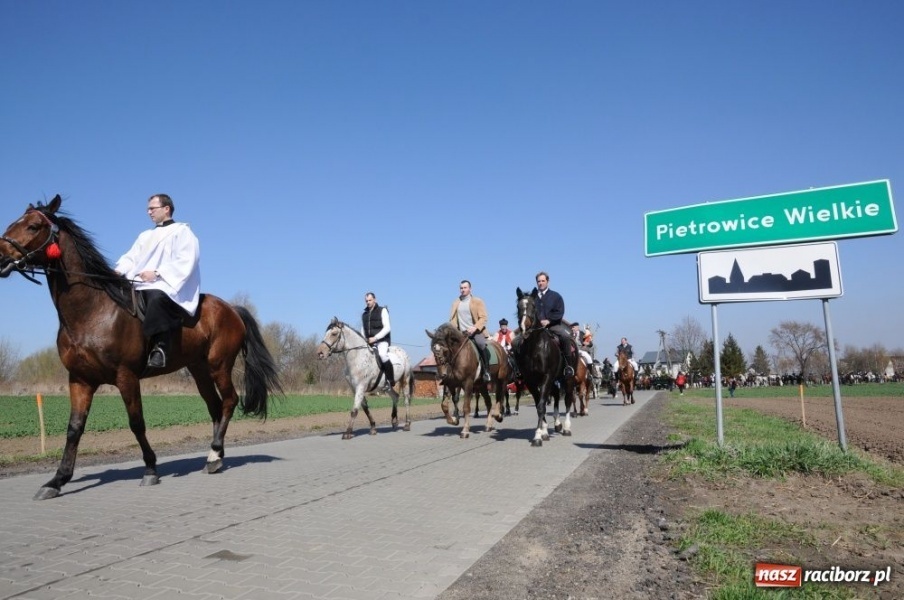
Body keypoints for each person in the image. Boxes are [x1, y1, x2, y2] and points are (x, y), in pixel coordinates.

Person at [115, 193, 200, 369]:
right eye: (148, 209)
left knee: (155, 297)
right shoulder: (145, 236)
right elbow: (131, 257)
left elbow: (187, 260)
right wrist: (118, 270)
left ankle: (160, 348)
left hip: (167, 284)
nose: (149, 212)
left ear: (166, 209)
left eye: (152, 208)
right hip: (139, 282)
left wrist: (157, 273)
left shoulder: (182, 231)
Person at [534, 271, 577, 377]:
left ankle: (568, 366)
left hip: (553, 326)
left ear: (548, 281)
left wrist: (548, 320)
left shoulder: (556, 296)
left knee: (565, 336)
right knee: (519, 341)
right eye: (539, 281)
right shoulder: (533, 297)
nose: (541, 283)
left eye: (543, 281)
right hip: (536, 329)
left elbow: (560, 312)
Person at [448, 280, 491, 382]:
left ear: (470, 289)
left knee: (481, 344)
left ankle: (486, 371)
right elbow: (452, 320)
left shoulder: (477, 301)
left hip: (475, 331)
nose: (462, 290)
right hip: (461, 333)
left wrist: (474, 327)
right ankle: (449, 373)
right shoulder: (455, 303)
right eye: (461, 288)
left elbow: (483, 318)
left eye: (465, 288)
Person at [362, 292, 394, 388]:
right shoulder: (364, 314)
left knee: (382, 355)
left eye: (370, 300)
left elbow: (387, 328)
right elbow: (363, 329)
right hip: (369, 342)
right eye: (366, 301)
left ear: (375, 299)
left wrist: (375, 338)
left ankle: (390, 380)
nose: (368, 302)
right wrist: (364, 339)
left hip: (382, 341)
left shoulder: (382, 310)